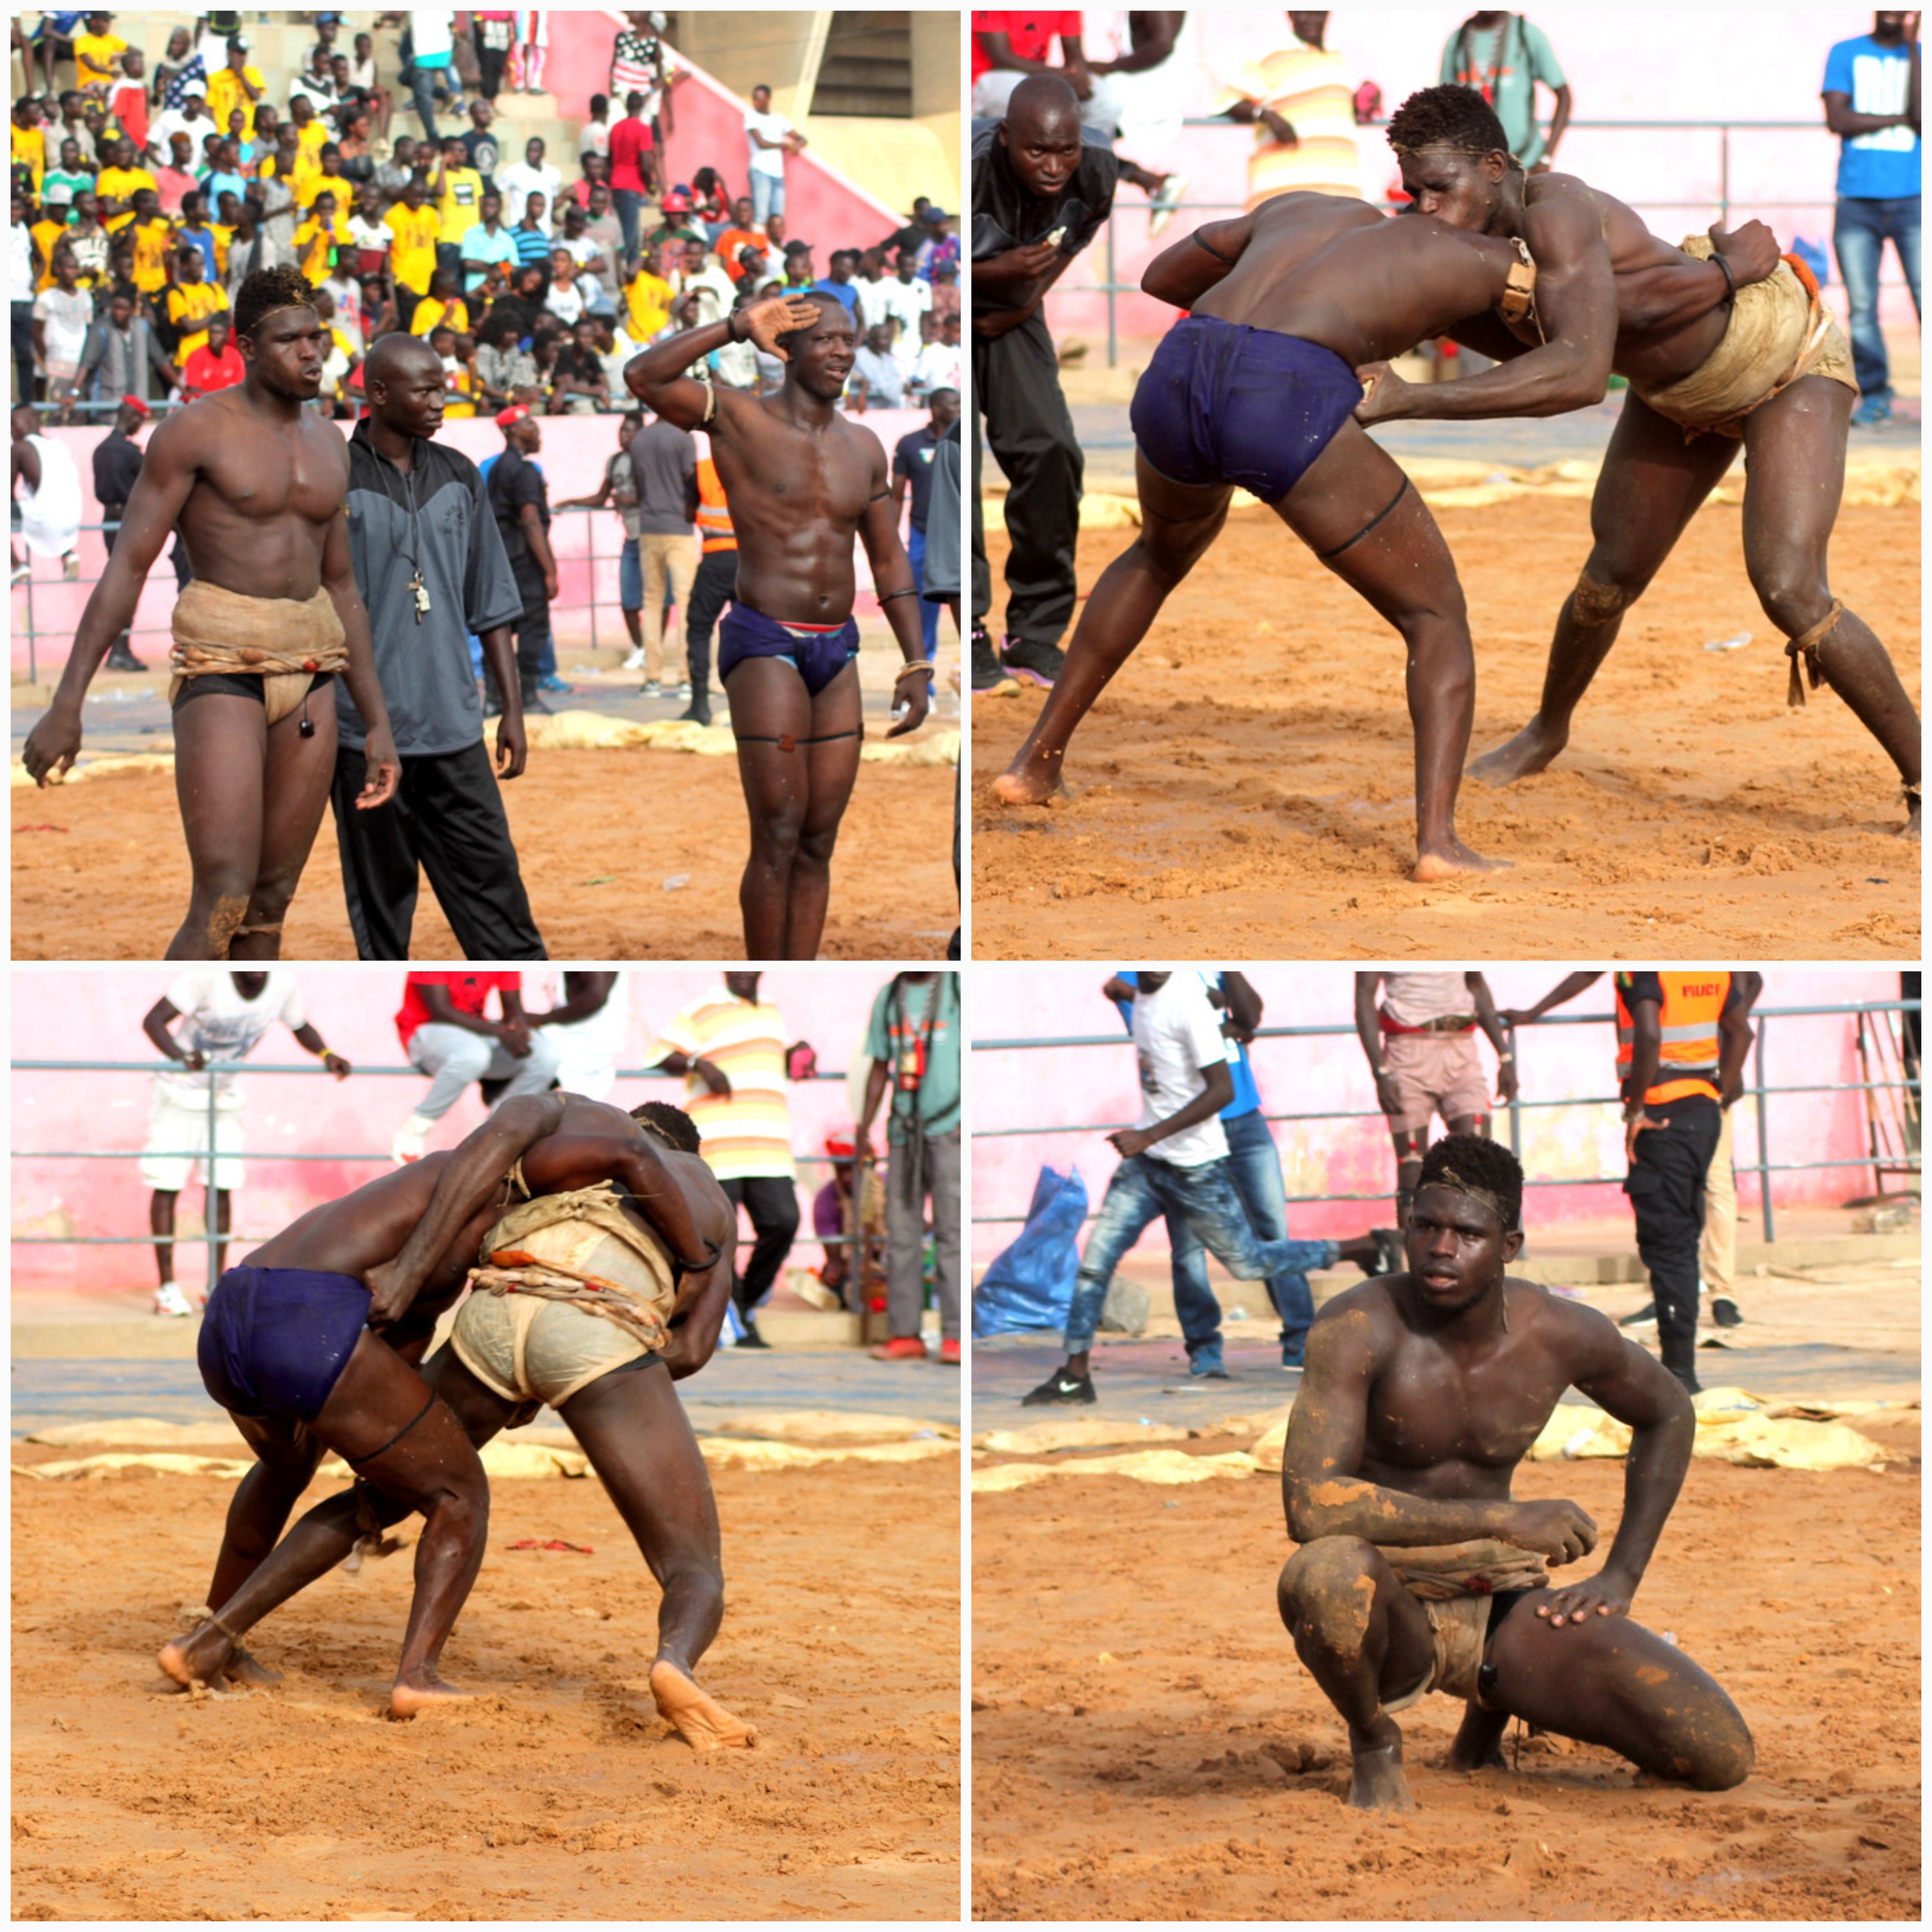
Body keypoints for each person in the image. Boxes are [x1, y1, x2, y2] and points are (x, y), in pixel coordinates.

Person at [1362, 86, 1922, 836]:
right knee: (1609, 574)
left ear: (1494, 166)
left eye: (1439, 187)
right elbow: (1612, 323)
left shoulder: (1555, 208)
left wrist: (1408, 401)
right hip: (1675, 395)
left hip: (1784, 363)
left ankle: (1922, 774)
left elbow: (1582, 368)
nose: (1424, 206)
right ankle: (1547, 729)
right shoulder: (1464, 245)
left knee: (1789, 586)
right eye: (1414, 191)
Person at [156, 1087, 751, 1749]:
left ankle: (213, 1636)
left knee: (361, 1488)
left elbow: (404, 1350)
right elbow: (693, 1346)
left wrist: (504, 1368)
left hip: (371, 1304)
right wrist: (659, 1299)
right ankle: (665, 1662)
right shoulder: (688, 1189)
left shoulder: (506, 1174)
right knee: (677, 1558)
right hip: (584, 1324)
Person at [989, 185, 1544, 879]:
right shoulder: (1482, 254)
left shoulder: (1301, 208)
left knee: (1157, 556)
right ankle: (1439, 843)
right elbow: (1574, 360)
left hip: (1182, 367)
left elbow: (1162, 276)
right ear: (1488, 175)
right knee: (1433, 614)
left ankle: (1032, 764)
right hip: (1282, 392)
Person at [1276, 1132, 1755, 1813]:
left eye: (1466, 1232)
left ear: (1508, 1245)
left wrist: (1621, 1574)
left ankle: (1488, 1709)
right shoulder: (1356, 1324)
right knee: (1324, 1572)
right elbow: (1311, 1507)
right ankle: (1374, 1739)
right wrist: (1504, 1517)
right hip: (1387, 1604)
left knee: (1716, 1754)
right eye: (1425, 1226)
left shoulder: (1560, 1331)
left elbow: (1670, 1412)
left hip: (1502, 1601)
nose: (1441, 1247)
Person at [22, 268, 401, 958]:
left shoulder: (329, 444)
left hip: (312, 668)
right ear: (247, 347)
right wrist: (67, 702)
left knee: (270, 902)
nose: (312, 353)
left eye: (317, 337)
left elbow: (342, 585)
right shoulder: (193, 433)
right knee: (223, 896)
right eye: (291, 340)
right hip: (223, 666)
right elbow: (127, 568)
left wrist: (375, 721)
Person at [626, 288, 934, 957]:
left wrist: (916, 661)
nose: (842, 352)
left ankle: (804, 967)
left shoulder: (864, 446)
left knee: (818, 839)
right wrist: (735, 327)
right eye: (825, 339)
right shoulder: (738, 418)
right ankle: (774, 969)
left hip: (837, 649)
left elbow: (886, 558)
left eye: (849, 340)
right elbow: (644, 377)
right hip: (765, 640)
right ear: (785, 347)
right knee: (777, 832)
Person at [1023, 971, 1384, 1406]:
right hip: (1148, 1165)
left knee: (1249, 1261)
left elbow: (1221, 1090)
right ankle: (1073, 1374)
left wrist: (1149, 1135)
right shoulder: (1141, 997)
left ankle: (1360, 1249)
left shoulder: (1189, 1003)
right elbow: (1147, 1000)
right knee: (1096, 1262)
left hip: (1195, 1164)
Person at [332, 333, 544, 960]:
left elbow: (493, 603)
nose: (438, 400)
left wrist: (511, 709)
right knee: (383, 905)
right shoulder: (335, 478)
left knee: (497, 893)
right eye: (423, 389)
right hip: (366, 737)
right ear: (376, 393)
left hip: (455, 728)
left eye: (442, 386)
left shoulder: (458, 474)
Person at [1501, 972, 1761, 1363]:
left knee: (1668, 1241)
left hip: (1659, 1110)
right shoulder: (1714, 966)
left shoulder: (1643, 968)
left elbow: (1650, 1035)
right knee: (1684, 1235)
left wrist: (1636, 1109)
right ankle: (1685, 1341)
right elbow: (1742, 1033)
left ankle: (1679, 1370)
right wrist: (1719, 1091)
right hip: (1703, 1106)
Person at [1109, 969, 1340, 1372]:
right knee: (1188, 1249)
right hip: (1189, 1133)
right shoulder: (1146, 974)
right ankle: (1204, 1349)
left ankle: (1301, 1341)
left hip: (1245, 1121)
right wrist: (1201, 1002)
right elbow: (1122, 996)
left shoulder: (1212, 964)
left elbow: (1251, 1018)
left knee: (1272, 1231)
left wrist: (1226, 970)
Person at [971, 75, 1119, 692]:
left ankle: (1033, 632)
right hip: (946, 309)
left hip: (1013, 314)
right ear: (1006, 137)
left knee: (1051, 449)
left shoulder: (1098, 172)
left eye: (1066, 150)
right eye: (1038, 151)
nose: (1056, 166)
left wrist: (1024, 296)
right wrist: (991, 271)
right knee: (952, 464)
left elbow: (1065, 247)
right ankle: (968, 631)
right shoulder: (970, 168)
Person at [139, 971, 350, 1317]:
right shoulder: (206, 980)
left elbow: (300, 1027)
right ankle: (167, 1289)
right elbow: (153, 1021)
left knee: (221, 1186)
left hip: (224, 1097)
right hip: (177, 1093)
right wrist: (181, 1055)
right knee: (167, 1184)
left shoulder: (282, 985)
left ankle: (214, 1286)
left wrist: (326, 1054)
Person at [646, 973, 812, 1350]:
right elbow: (659, 1053)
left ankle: (745, 1303)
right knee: (722, 1237)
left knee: (784, 1221)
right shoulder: (703, 1007)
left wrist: (795, 1054)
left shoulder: (771, 1009)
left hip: (769, 1143)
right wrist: (698, 1064)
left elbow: (765, 1060)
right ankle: (737, 1319)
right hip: (718, 1143)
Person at [856, 971, 961, 1365]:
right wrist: (864, 1127)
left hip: (949, 1127)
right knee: (901, 1234)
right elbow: (880, 1067)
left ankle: (955, 1336)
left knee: (951, 1233)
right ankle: (905, 1334)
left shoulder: (956, 985)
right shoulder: (889, 996)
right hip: (903, 1131)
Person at [1823, 11, 1922, 426]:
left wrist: (1915, 50)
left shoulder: (1922, 56)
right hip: (1857, 201)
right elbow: (1838, 120)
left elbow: (1923, 116)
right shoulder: (1845, 53)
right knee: (1862, 307)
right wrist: (1900, 118)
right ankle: (1877, 397)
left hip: (1916, 200)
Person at [1355, 972, 1516, 1226]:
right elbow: (1364, 996)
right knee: (1412, 1163)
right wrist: (1380, 1072)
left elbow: (1475, 984)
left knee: (1476, 1156)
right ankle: (1415, 1257)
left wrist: (1505, 1057)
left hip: (1462, 1049)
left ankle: (1467, 1253)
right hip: (1407, 1051)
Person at [390, 970, 562, 1163]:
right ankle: (416, 1127)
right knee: (473, 1055)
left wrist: (517, 1027)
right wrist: (500, 1031)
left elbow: (513, 1006)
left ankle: (492, 1129)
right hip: (427, 1030)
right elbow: (440, 1010)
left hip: (475, 1033)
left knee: (546, 1056)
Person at [1216, 11, 1364, 205]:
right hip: (1286, 189)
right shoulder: (1271, 54)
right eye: (1303, 11)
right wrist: (1267, 116)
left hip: (1340, 187)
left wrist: (1362, 100)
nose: (1311, 19)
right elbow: (1226, 101)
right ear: (1291, 14)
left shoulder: (1337, 56)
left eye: (1317, 11)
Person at [89, 394, 181, 671]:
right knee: (128, 587)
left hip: (111, 521)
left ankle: (118, 649)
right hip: (130, 524)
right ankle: (120, 650)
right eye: (139, 420)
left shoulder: (102, 448)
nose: (139, 427)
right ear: (131, 416)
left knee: (120, 585)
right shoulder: (129, 453)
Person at [486, 402, 560, 716]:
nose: (536, 429)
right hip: (524, 560)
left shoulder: (498, 468)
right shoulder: (525, 471)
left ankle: (494, 699)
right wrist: (550, 571)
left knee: (501, 627)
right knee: (532, 626)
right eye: (529, 423)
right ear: (513, 430)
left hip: (501, 557)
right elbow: (531, 521)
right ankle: (528, 697)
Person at [556, 409, 646, 664]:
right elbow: (601, 496)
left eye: (630, 430)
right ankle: (641, 648)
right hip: (631, 538)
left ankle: (653, 648)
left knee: (656, 598)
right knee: (629, 599)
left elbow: (660, 493)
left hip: (650, 535)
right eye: (622, 430)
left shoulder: (648, 458)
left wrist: (633, 499)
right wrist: (572, 501)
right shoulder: (615, 461)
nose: (624, 435)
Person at [1439, 12, 1571, 172]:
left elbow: (1564, 96)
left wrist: (1546, 157)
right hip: (1475, 172)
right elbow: (1443, 106)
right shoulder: (1457, 41)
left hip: (1526, 165)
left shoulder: (1526, 34)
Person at [892, 386, 956, 661]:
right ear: (938, 409)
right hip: (922, 536)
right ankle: (924, 675)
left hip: (957, 537)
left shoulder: (965, 442)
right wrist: (893, 545)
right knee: (923, 611)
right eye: (956, 404)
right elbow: (895, 497)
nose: (962, 409)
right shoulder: (910, 444)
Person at [683, 444, 737, 726]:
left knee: (699, 628)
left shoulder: (702, 470)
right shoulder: (755, 464)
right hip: (750, 561)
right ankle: (749, 704)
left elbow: (687, 512)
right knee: (750, 632)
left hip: (715, 558)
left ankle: (700, 705)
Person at [11, 401, 83, 581]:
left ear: (29, 421)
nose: (10, 430)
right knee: (49, 504)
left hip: (45, 519)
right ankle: (68, 554)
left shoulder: (20, 448)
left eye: (12, 423)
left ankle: (17, 565)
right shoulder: (58, 445)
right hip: (73, 519)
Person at [743, 82, 803, 228]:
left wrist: (797, 146)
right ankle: (758, 246)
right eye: (755, 99)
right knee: (761, 215)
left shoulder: (779, 119)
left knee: (777, 217)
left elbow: (801, 138)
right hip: (760, 170)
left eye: (760, 98)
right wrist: (785, 145)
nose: (756, 102)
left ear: (768, 99)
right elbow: (761, 143)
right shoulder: (751, 116)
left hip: (778, 173)